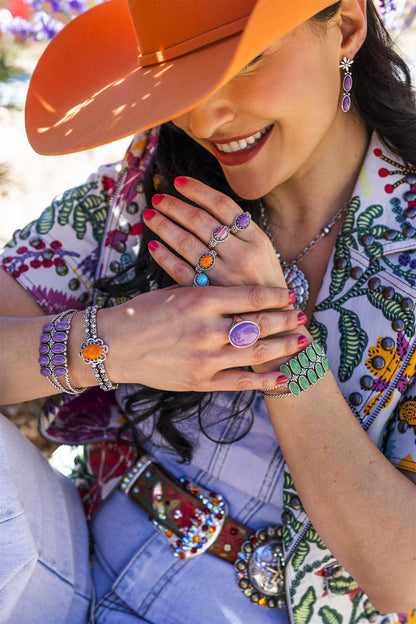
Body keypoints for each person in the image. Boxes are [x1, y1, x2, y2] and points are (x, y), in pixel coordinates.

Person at [0, 0, 415, 622]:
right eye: (183, 78)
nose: (205, 116)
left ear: (347, 29)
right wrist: (109, 344)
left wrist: (281, 352)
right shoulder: (156, 175)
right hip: (65, 556)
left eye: (246, 62)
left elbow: (404, 580)